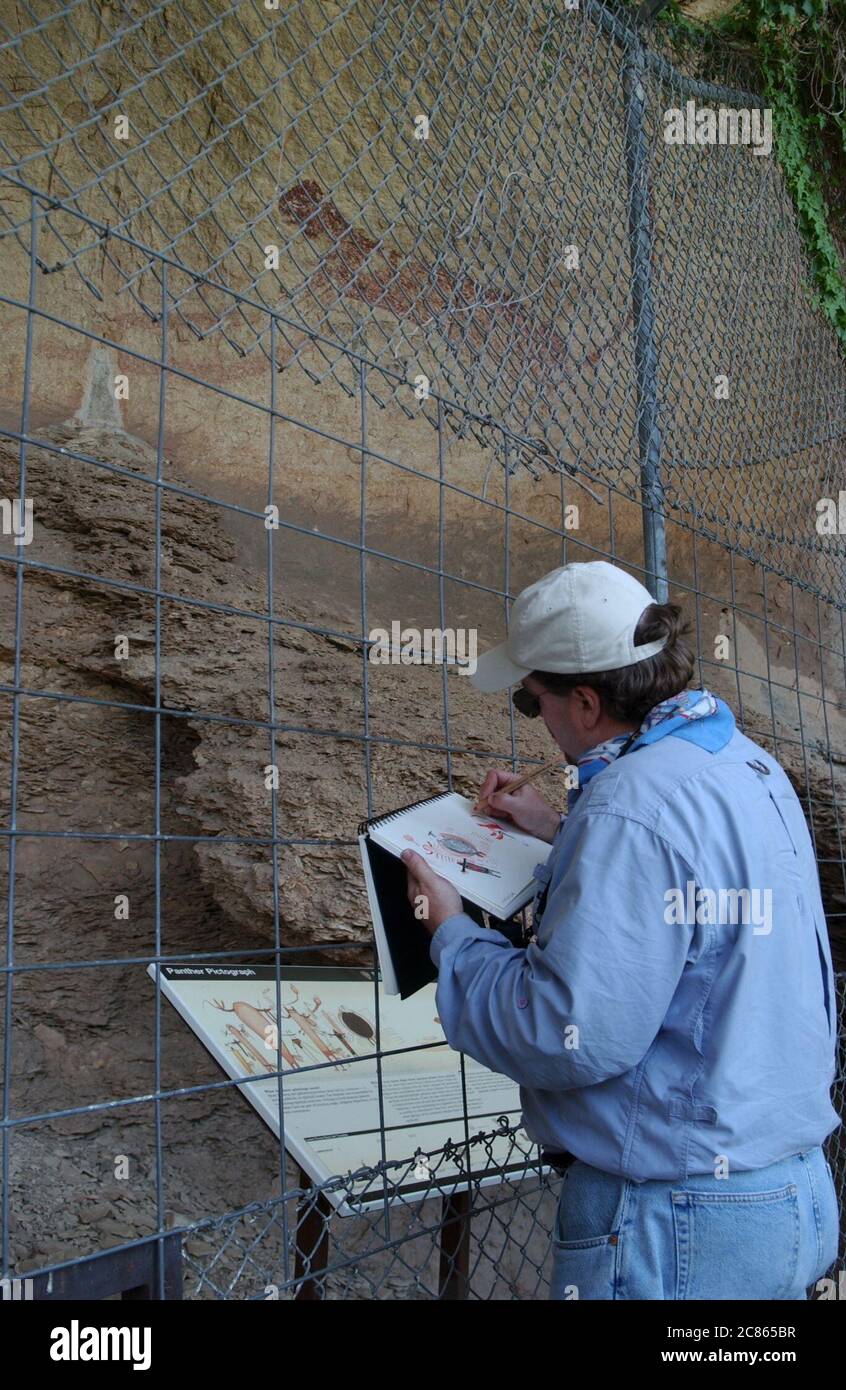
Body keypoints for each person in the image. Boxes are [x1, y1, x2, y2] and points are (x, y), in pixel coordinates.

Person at [402, 560, 840, 1300]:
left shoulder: (630, 807)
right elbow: (690, 910)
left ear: (584, 702)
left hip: (674, 1223)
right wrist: (560, 834)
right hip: (786, 1196)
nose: (534, 716)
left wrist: (450, 933)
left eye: (530, 699)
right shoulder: (741, 763)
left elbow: (567, 1031)